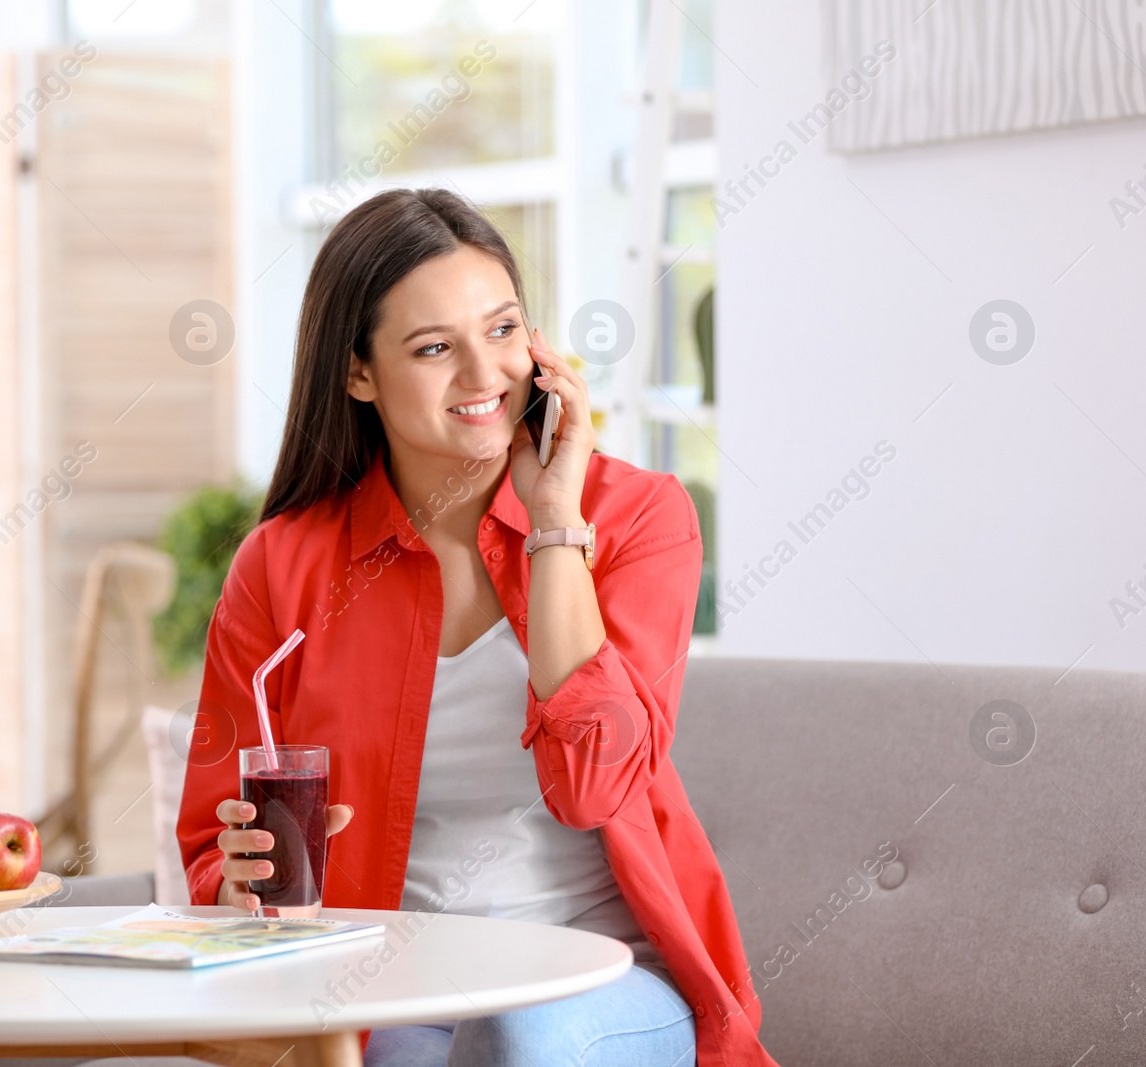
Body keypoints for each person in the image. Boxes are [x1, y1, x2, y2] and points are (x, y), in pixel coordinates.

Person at [177, 188, 777, 1066]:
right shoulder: (281, 565)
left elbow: (593, 785)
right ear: (358, 373)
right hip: (390, 993)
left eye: (502, 331)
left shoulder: (640, 517)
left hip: (602, 983)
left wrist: (555, 523)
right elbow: (208, 845)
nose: (484, 374)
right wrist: (234, 879)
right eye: (433, 347)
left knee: (514, 1037)